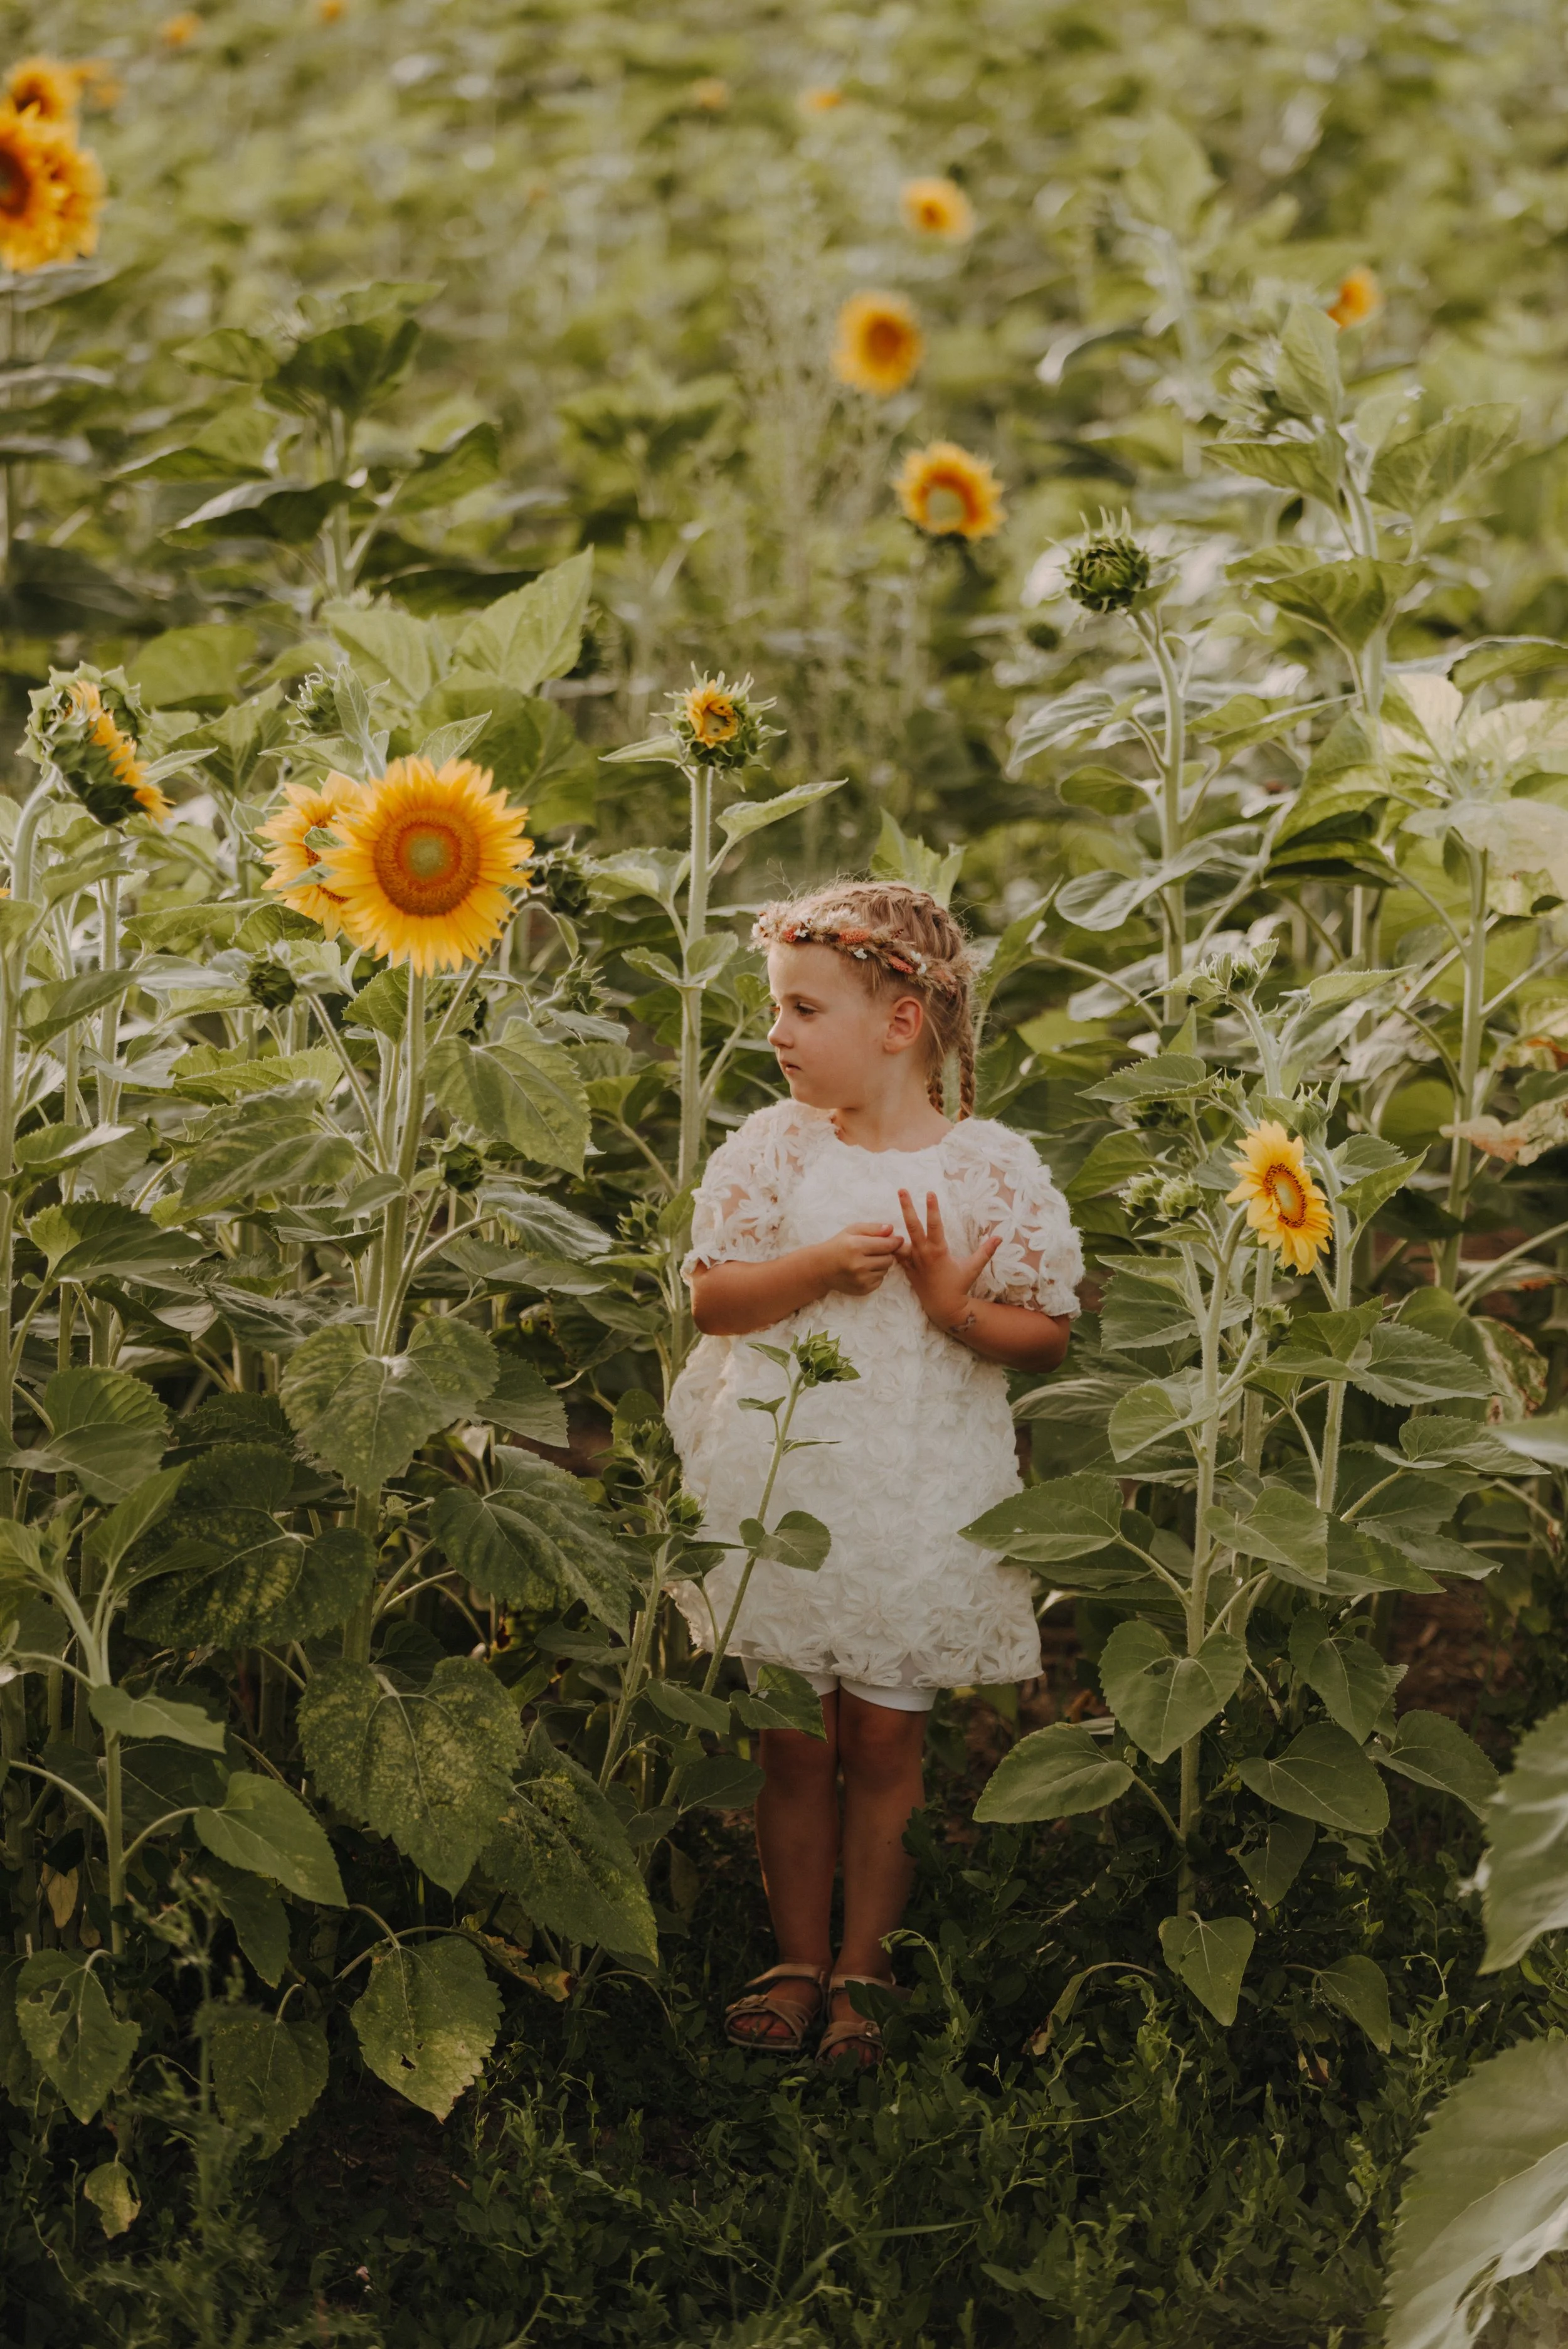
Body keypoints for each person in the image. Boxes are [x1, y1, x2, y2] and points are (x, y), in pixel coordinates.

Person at [666, 879, 1083, 2066]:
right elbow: (711, 1298)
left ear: (899, 1024)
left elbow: (1047, 1333)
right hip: (789, 1491)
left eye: (804, 1010)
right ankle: (798, 1957)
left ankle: (868, 1964)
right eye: (776, 1011)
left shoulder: (989, 1170)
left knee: (887, 1741)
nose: (777, 1035)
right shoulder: (774, 1151)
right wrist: (811, 1269)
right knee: (793, 1739)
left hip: (912, 1492)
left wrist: (954, 1308)